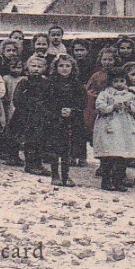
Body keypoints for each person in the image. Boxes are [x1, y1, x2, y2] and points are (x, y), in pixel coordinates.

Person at [92, 65, 135, 193]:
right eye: (116, 81)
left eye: (122, 81)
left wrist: (130, 107)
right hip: (109, 127)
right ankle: (106, 180)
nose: (119, 84)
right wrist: (112, 106)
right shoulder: (105, 94)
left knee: (122, 156)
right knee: (109, 155)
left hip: (124, 127)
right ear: (110, 82)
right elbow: (99, 107)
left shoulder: (131, 96)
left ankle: (119, 180)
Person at [42, 53, 86, 187]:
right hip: (54, 120)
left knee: (67, 149)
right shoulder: (50, 83)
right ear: (56, 67)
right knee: (55, 149)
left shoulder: (77, 84)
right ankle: (55, 174)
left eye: (68, 66)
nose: (65, 68)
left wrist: (72, 111)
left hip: (71, 120)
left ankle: (66, 175)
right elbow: (45, 101)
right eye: (61, 66)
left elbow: (82, 102)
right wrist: (57, 111)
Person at [8, 51, 55, 176]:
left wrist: (45, 109)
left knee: (39, 141)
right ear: (27, 67)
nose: (36, 69)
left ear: (45, 68)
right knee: (28, 141)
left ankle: (37, 163)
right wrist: (29, 106)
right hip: (25, 116)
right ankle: (29, 164)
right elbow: (17, 99)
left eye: (39, 67)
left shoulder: (47, 83)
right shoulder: (24, 82)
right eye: (33, 66)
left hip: (41, 117)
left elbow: (50, 99)